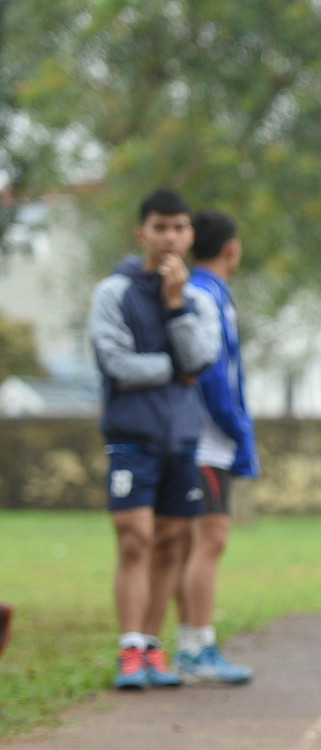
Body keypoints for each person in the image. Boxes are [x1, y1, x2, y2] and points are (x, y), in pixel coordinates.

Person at [88, 189, 222, 690]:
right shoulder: (113, 293)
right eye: (160, 227)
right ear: (142, 233)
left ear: (191, 235)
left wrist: (174, 306)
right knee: (135, 538)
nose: (170, 237)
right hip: (131, 436)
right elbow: (116, 364)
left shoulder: (199, 299)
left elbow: (202, 363)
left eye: (180, 228)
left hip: (182, 437)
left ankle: (150, 644)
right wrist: (171, 370)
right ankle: (128, 647)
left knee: (171, 542)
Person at [173, 209, 258, 684]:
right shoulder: (208, 298)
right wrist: (237, 429)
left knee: (192, 544)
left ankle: (193, 644)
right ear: (231, 249)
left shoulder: (202, 293)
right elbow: (213, 375)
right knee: (209, 541)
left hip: (200, 439)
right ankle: (197, 645)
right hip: (206, 442)